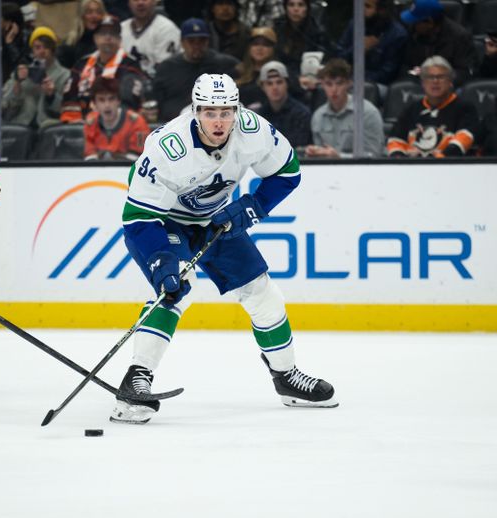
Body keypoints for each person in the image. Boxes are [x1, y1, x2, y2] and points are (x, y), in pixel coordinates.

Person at [111, 73, 337, 424]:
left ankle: (286, 376)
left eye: (226, 112)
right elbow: (138, 217)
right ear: (195, 110)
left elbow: (288, 172)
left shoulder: (253, 131)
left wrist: (253, 205)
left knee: (262, 291)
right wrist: (160, 261)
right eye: (210, 112)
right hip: (164, 223)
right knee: (175, 293)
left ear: (237, 110)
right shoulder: (167, 148)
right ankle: (136, 381)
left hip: (217, 220)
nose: (219, 121)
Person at [59, 15, 147, 123]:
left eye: (113, 34)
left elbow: (129, 101)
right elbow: (69, 97)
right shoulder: (81, 64)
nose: (108, 37)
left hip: (118, 126)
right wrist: (76, 121)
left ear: (119, 40)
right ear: (95, 38)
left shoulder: (130, 65)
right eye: (103, 33)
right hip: (80, 125)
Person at [387, 56, 478, 158]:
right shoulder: (411, 109)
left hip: (449, 168)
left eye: (441, 77)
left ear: (450, 81)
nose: (435, 81)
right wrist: (401, 161)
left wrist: (436, 160)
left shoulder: (465, 108)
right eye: (429, 77)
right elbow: (395, 140)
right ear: (423, 83)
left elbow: (463, 140)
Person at [152, 18, 239, 123]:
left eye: (201, 40)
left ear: (208, 41)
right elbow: (155, 99)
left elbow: (244, 74)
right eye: (191, 41)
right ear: (182, 42)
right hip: (173, 126)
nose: (196, 46)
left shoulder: (224, 63)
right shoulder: (167, 67)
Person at [306, 58, 384, 158]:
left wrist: (339, 157)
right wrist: (314, 152)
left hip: (362, 172)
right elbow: (321, 153)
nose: (334, 90)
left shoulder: (368, 113)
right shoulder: (318, 116)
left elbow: (375, 155)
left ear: (348, 83)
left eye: (339, 83)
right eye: (329, 84)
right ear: (322, 85)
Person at [2, 26, 71, 128]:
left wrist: (51, 96)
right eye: (37, 47)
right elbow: (4, 110)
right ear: (32, 51)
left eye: (46, 47)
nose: (42, 51)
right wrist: (17, 85)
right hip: (21, 128)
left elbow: (67, 111)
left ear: (53, 50)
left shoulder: (65, 75)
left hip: (49, 129)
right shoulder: (20, 73)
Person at [399, 0, 474, 85]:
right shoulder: (413, 32)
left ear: (430, 22)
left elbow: (464, 73)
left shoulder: (460, 37)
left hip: (447, 86)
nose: (413, 24)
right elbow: (404, 65)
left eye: (416, 22)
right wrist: (413, 74)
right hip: (417, 83)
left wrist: (437, 76)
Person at [337, 0, 408, 89]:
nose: (362, 9)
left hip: (378, 85)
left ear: (382, 10)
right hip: (347, 79)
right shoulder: (354, 24)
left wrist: (357, 79)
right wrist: (358, 49)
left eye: (367, 6)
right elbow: (338, 58)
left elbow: (388, 74)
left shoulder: (398, 34)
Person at [83, 76, 149, 160]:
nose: (107, 105)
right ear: (94, 103)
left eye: (111, 99)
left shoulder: (137, 122)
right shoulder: (91, 122)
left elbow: (139, 159)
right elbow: (89, 157)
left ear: (118, 100)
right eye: (101, 100)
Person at [272, 0, 332, 84]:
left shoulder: (317, 32)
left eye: (300, 5)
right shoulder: (277, 31)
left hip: (312, 78)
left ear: (307, 8)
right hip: (283, 78)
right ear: (285, 8)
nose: (296, 9)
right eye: (291, 5)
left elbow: (324, 58)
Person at [257, 60, 312, 149]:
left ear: (287, 84)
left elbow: (298, 147)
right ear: (263, 87)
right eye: (269, 83)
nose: (275, 87)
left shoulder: (301, 114)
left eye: (279, 82)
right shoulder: (259, 116)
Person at [120, 0, 181, 78]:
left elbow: (164, 69)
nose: (140, 3)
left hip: (158, 84)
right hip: (124, 83)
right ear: (128, 3)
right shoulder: (121, 28)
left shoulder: (167, 29)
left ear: (155, 1)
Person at [232, 27, 278, 112]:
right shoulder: (238, 71)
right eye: (255, 44)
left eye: (265, 44)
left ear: (273, 49)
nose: (259, 48)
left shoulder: (278, 72)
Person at [57, 0, 107, 69]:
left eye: (98, 12)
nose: (94, 16)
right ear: (82, 15)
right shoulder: (70, 42)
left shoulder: (108, 41)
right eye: (89, 12)